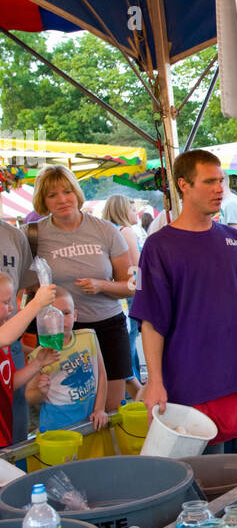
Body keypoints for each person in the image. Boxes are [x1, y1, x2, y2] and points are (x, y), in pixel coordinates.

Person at [132, 149, 237, 455]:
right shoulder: (159, 246)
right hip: (196, 388)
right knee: (212, 493)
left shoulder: (234, 239)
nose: (219, 189)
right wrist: (155, 382)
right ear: (184, 185)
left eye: (221, 180)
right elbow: (151, 320)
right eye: (209, 181)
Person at [29, 164, 133, 412]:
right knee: (67, 404)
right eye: (52, 195)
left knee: (111, 408)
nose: (62, 199)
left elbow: (130, 286)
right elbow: (22, 284)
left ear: (77, 192)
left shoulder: (105, 230)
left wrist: (102, 285)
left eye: (67, 191)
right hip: (61, 332)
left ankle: (110, 452)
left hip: (106, 327)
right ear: (43, 201)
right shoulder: (33, 235)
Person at [25, 287, 110, 432]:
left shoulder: (89, 336)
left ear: (75, 315)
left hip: (90, 420)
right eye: (54, 314)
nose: (61, 319)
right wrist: (41, 392)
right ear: (42, 320)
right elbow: (29, 396)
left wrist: (100, 409)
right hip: (57, 426)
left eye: (66, 313)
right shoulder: (40, 356)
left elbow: (101, 375)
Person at [0, 273, 59, 448]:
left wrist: (37, 364)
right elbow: (5, 337)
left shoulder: (5, 338)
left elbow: (9, 382)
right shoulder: (5, 336)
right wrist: (36, 303)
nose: (11, 308)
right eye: (5, 302)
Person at [103, 194, 144, 384]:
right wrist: (144, 293)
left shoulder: (107, 231)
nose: (136, 213)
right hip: (130, 292)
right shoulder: (126, 231)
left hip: (114, 293)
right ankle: (133, 384)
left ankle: (130, 382)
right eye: (133, 209)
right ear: (123, 210)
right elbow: (137, 267)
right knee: (130, 342)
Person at [0, 215, 33, 442]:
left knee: (16, 403)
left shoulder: (14, 235)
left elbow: (22, 285)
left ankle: (18, 470)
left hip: (12, 342)